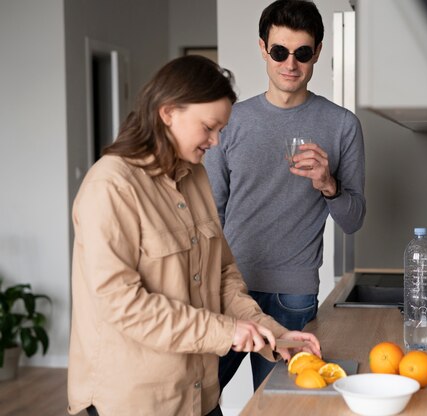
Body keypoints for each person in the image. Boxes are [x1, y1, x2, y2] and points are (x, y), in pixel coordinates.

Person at [67, 55, 321, 416]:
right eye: (209, 127)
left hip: (198, 396)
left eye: (221, 130)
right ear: (168, 113)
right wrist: (225, 332)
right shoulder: (111, 186)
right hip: (133, 402)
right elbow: (122, 305)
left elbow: (222, 275)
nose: (216, 142)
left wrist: (272, 333)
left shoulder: (195, 177)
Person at [205, 0, 365, 391]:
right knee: (202, 399)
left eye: (302, 53)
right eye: (279, 51)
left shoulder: (343, 125)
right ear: (263, 49)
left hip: (293, 295)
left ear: (317, 55)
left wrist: (329, 185)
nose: (290, 64)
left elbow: (354, 219)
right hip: (230, 288)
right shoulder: (230, 121)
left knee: (283, 404)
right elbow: (211, 213)